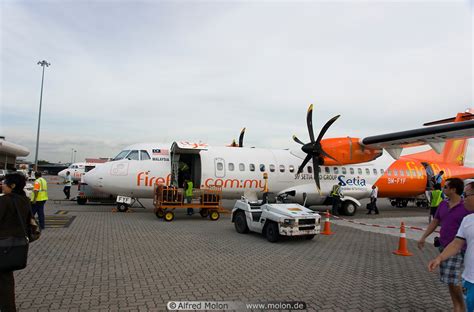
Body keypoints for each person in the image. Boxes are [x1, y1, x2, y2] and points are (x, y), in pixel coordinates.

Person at [418, 178, 471, 312]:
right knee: (450, 280)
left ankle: (460, 307)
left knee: (453, 279)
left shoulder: (466, 207)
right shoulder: (443, 204)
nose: (443, 189)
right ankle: (458, 306)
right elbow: (435, 221)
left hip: (459, 249)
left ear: (453, 189)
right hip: (445, 247)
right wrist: (424, 237)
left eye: (446, 187)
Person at [0, 173, 33, 312]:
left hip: (2, 244)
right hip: (15, 246)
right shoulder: (24, 201)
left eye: (4, 182)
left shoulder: (5, 201)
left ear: (12, 186)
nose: (2, 184)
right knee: (6, 278)